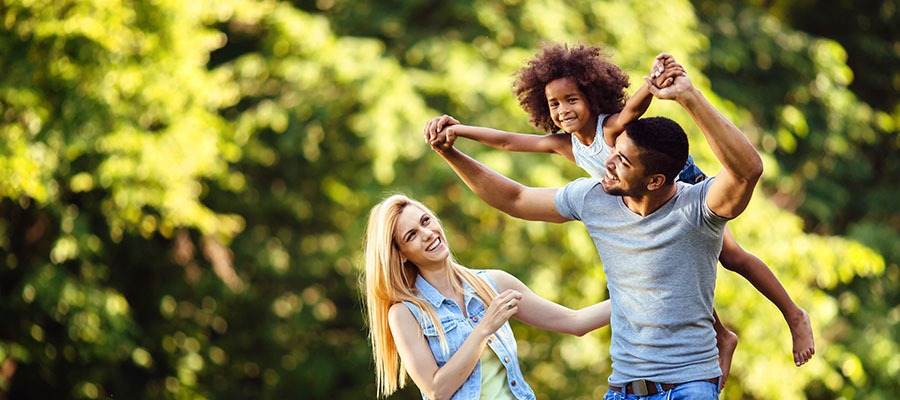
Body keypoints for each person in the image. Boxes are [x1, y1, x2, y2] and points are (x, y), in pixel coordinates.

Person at [423, 44, 814, 375]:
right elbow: (509, 143)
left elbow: (635, 109)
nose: (562, 110)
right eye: (554, 104)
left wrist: (655, 83)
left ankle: (793, 314)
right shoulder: (564, 145)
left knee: (733, 257)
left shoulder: (610, 130)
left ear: (592, 99)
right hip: (631, 199)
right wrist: (459, 132)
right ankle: (722, 335)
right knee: (667, 274)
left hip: (677, 184)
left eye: (571, 100)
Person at [363, 194, 612, 399]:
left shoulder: (494, 283)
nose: (427, 233)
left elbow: (575, 322)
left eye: (426, 221)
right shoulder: (405, 313)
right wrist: (484, 329)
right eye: (411, 235)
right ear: (401, 254)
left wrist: (633, 295)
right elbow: (437, 390)